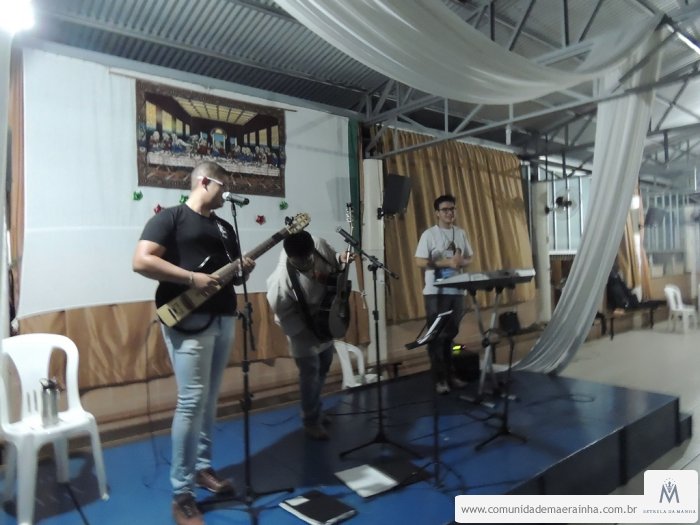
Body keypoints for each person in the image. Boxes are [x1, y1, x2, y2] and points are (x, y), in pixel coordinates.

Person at [132, 161, 255, 525]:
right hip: (188, 321)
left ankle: (202, 468)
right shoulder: (170, 219)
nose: (226, 192)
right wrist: (190, 278)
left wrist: (242, 271)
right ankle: (182, 492)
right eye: (222, 185)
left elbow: (228, 277)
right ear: (204, 181)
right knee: (190, 402)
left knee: (209, 399)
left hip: (224, 317)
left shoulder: (225, 227)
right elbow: (141, 261)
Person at [266, 230, 353, 440]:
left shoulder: (318, 244)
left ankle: (316, 408)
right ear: (290, 256)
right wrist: (310, 331)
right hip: (301, 328)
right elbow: (283, 316)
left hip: (324, 317)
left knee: (324, 365)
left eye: (308, 258)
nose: (306, 262)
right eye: (300, 260)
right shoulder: (280, 281)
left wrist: (341, 258)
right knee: (310, 372)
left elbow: (334, 260)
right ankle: (310, 420)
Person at [415, 194, 473, 395]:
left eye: (452, 209)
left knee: (450, 335)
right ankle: (439, 379)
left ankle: (451, 375)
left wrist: (462, 262)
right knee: (436, 337)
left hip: (457, 291)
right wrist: (446, 263)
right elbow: (419, 261)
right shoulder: (429, 235)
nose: (449, 213)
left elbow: (469, 257)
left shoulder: (461, 233)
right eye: (445, 209)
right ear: (437, 213)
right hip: (435, 292)